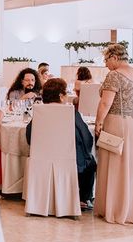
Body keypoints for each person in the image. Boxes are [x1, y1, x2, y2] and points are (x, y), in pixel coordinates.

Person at [95, 43, 133, 224]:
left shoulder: (115, 75)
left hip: (118, 122)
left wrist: (99, 123)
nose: (105, 64)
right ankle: (132, 209)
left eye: (106, 60)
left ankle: (115, 208)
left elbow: (105, 103)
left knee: (116, 163)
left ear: (114, 58)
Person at [25, 78, 97, 210]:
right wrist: (86, 152)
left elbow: (30, 136)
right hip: (70, 160)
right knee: (91, 162)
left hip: (42, 159)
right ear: (61, 96)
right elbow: (86, 136)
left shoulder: (40, 112)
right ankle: (83, 198)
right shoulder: (71, 113)